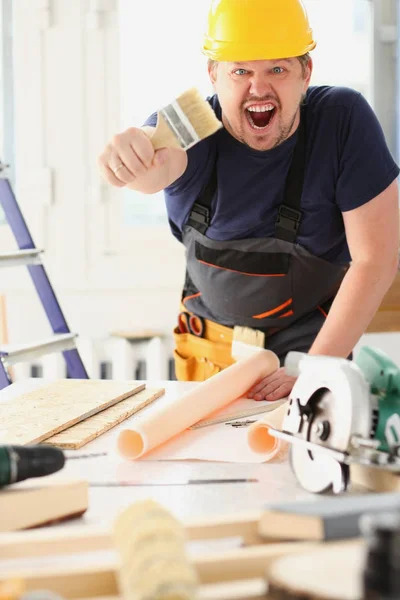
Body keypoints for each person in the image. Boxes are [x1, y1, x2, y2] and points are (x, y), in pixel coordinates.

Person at [98, 0, 400, 401]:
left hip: (312, 353)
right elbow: (153, 167)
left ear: (306, 72)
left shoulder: (341, 121)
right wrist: (128, 158)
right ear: (214, 75)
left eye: (277, 68)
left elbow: (375, 259)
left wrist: (314, 370)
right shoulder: (191, 125)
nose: (258, 88)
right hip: (209, 362)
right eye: (240, 70)